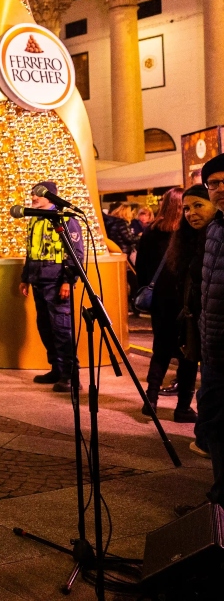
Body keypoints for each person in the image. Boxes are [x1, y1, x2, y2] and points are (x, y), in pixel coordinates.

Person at [145, 186, 207, 422]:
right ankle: (182, 407)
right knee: (188, 355)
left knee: (160, 350)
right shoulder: (189, 234)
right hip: (184, 305)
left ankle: (150, 399)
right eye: (186, 207)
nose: (190, 213)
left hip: (161, 304)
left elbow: (142, 269)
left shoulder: (153, 232)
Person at [19, 181, 83, 394]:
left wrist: (68, 280)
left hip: (56, 282)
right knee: (46, 328)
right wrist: (25, 277)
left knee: (62, 329)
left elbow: (76, 254)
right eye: (32, 194)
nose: (33, 198)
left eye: (38, 195)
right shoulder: (35, 220)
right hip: (39, 280)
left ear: (51, 197)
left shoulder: (66, 220)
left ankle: (70, 375)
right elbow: (31, 251)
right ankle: (56, 369)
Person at [198, 154, 224, 497]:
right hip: (215, 348)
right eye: (213, 184)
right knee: (216, 428)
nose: (219, 189)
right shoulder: (215, 227)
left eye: (223, 181)